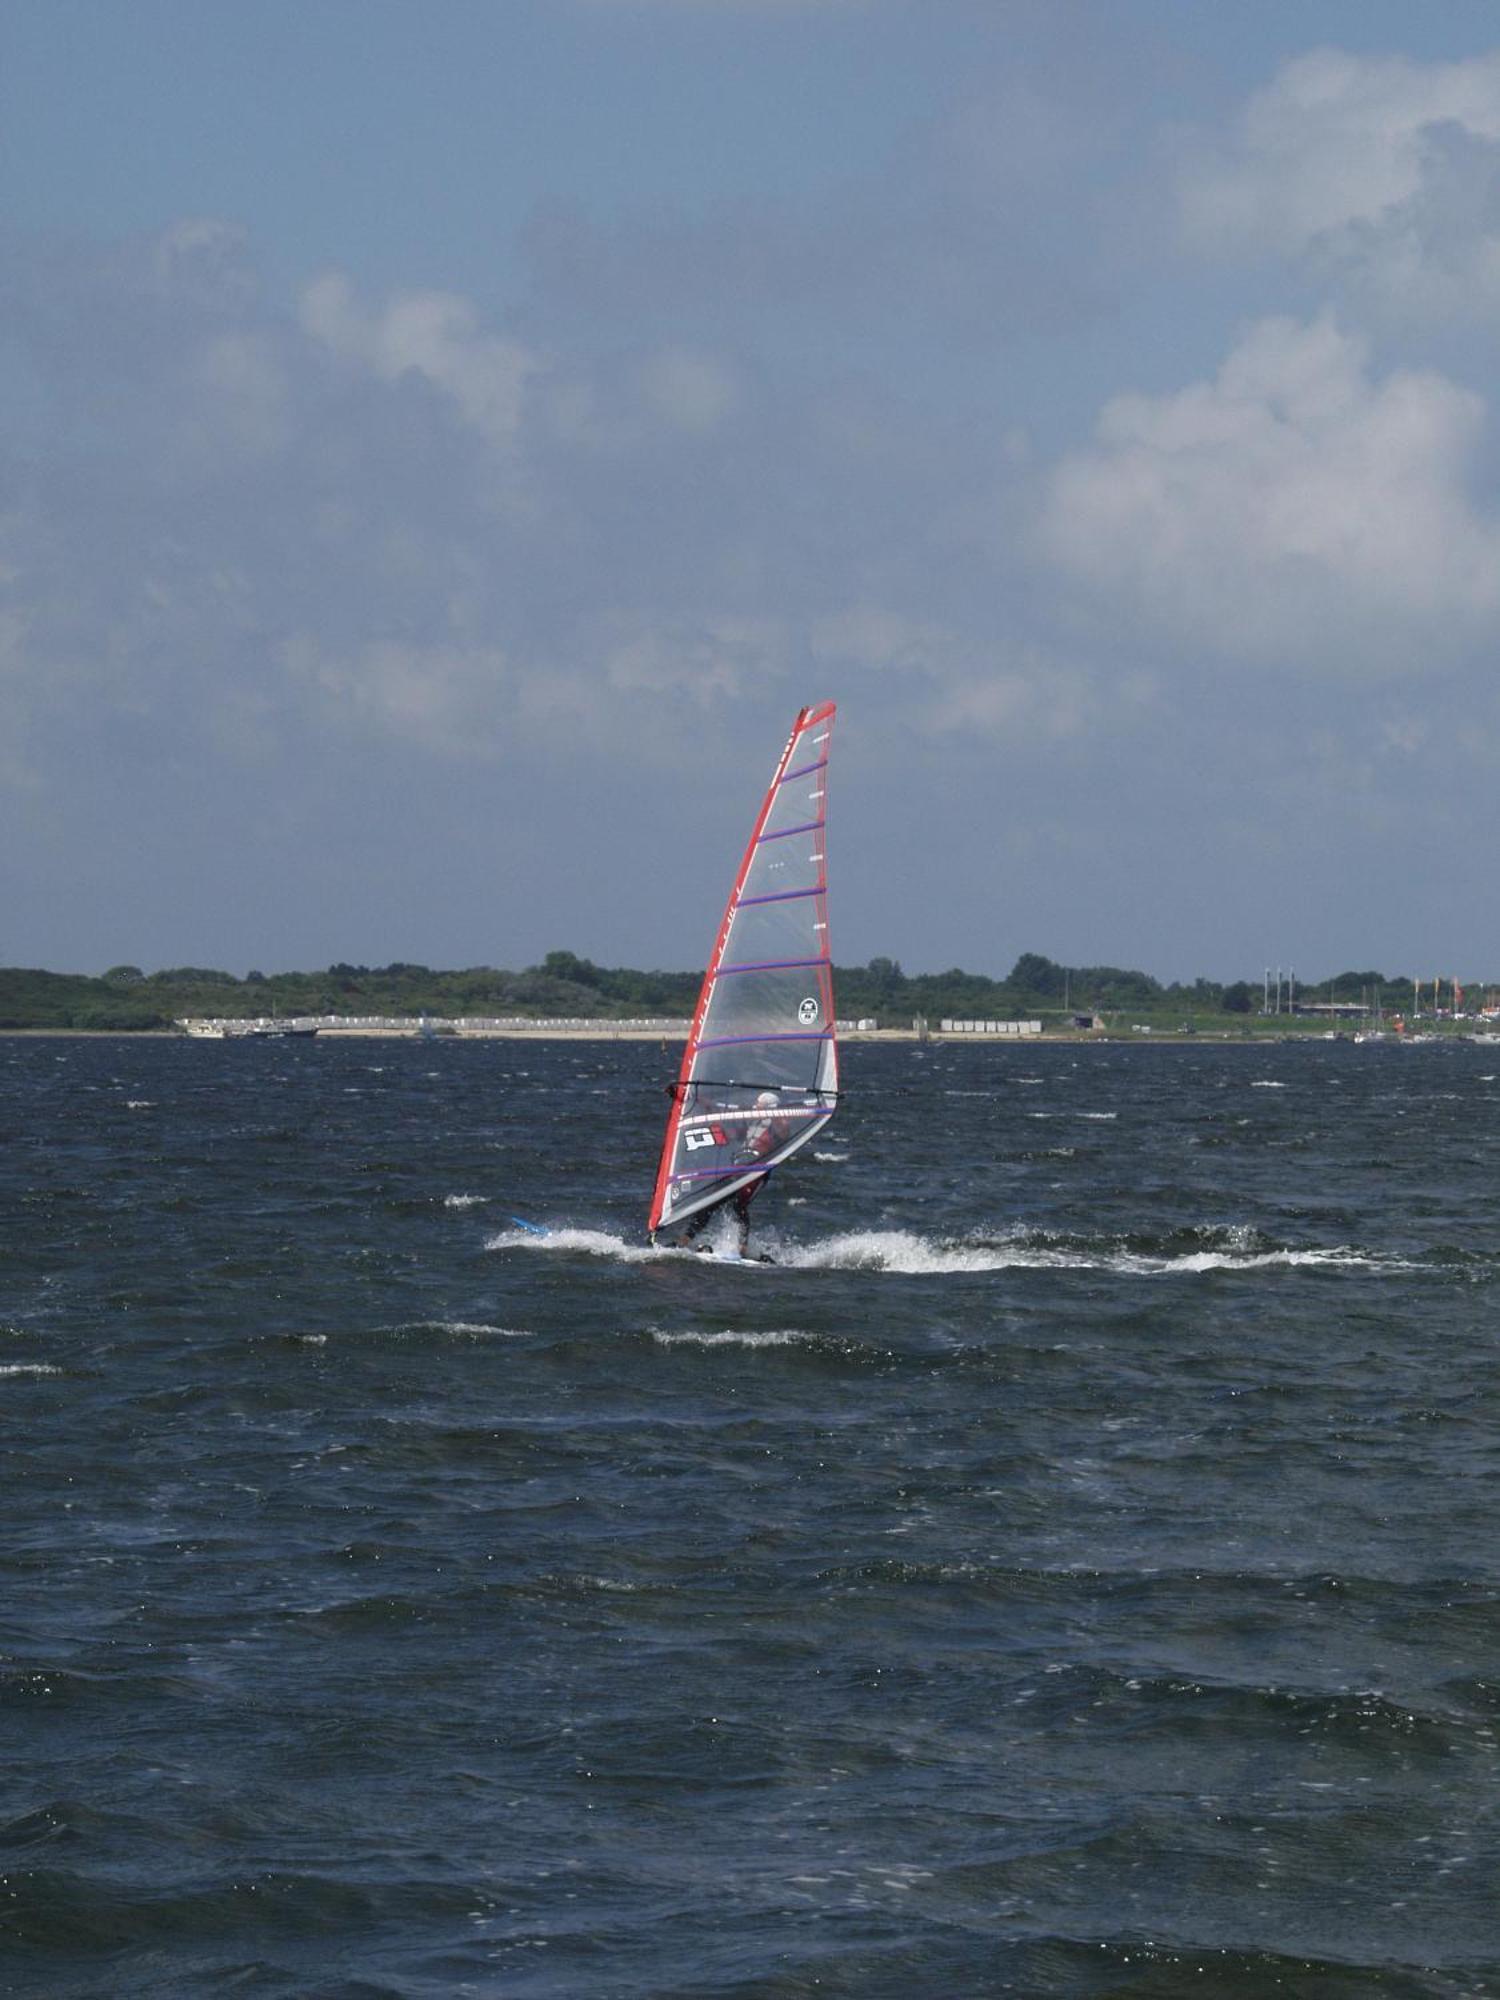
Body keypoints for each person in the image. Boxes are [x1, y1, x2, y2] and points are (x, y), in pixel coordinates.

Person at [684, 1090, 784, 1257]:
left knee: (739, 1204)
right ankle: (685, 1240)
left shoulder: (778, 1126)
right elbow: (732, 1135)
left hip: (756, 1175)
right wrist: (710, 1111)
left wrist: (770, 1111)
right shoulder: (754, 1123)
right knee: (710, 1201)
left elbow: (783, 1130)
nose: (755, 1106)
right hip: (739, 1169)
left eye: (759, 1104)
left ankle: (742, 1249)